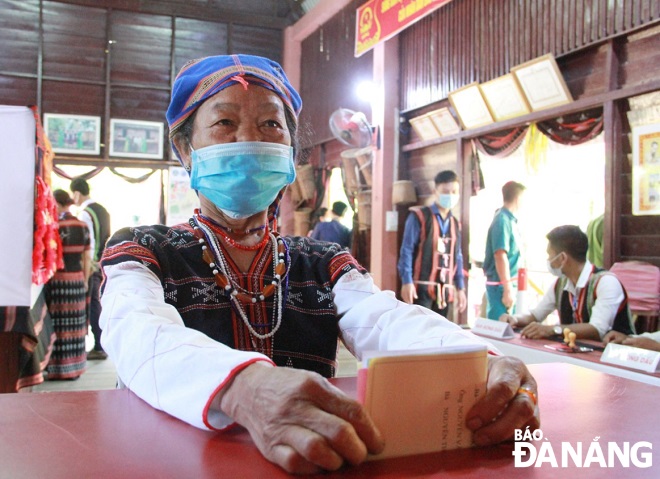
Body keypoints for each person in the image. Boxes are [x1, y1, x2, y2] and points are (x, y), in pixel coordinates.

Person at [99, 54, 539, 474]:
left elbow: (385, 320)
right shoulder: (143, 250)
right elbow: (138, 332)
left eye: (271, 123)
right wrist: (242, 387)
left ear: (291, 153)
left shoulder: (322, 262)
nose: (249, 139)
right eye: (224, 123)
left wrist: (477, 361)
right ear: (186, 151)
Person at [500, 225, 635, 340]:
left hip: (614, 360)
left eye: (550, 255)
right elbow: (536, 315)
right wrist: (515, 319)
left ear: (563, 258)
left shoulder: (606, 282)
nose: (549, 260)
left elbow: (596, 329)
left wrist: (552, 329)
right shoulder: (560, 284)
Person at [397, 170, 467, 318]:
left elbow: (458, 257)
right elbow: (406, 250)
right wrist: (407, 281)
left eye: (454, 191)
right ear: (435, 192)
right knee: (418, 333)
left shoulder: (455, 223)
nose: (450, 195)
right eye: (445, 191)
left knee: (439, 336)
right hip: (420, 288)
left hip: (444, 291)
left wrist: (460, 287)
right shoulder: (419, 216)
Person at [44, 190, 92, 379]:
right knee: (77, 324)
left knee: (58, 324)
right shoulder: (82, 226)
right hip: (77, 279)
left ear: (57, 203)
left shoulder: (54, 226)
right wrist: (86, 280)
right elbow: (86, 257)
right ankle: (76, 368)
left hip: (58, 281)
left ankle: (57, 369)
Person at [70, 177, 111, 360]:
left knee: (93, 305)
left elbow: (90, 243)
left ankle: (99, 346)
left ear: (77, 193)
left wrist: (88, 266)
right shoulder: (103, 210)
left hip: (93, 264)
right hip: (105, 261)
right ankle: (101, 344)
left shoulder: (85, 213)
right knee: (98, 303)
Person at [483, 181, 525, 320]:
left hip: (508, 283)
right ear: (518, 198)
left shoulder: (510, 220)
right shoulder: (502, 220)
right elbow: (500, 255)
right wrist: (507, 289)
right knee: (499, 328)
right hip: (500, 286)